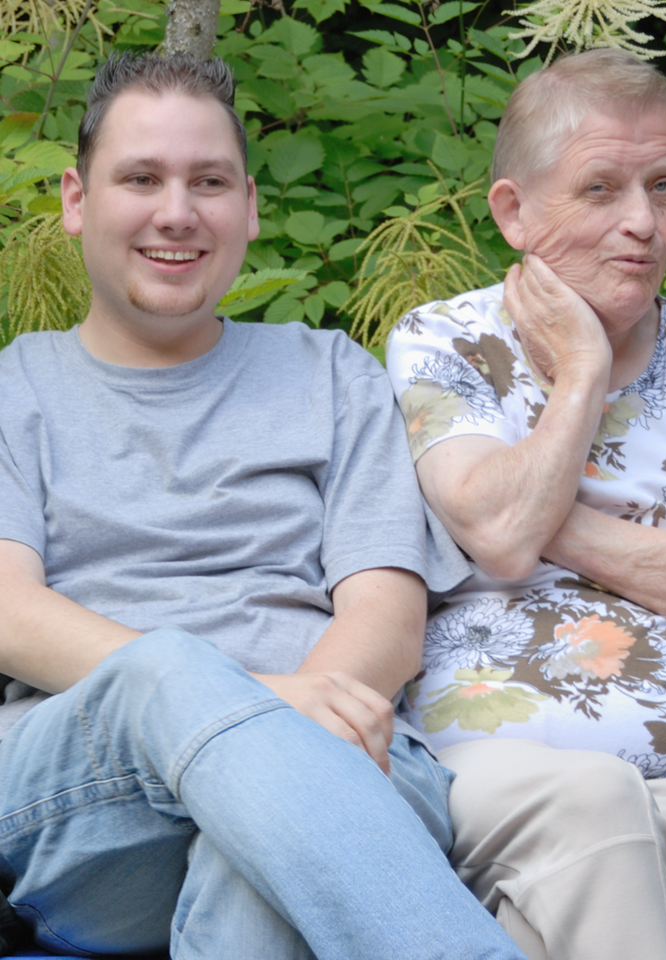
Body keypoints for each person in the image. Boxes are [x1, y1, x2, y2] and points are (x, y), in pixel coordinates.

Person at [0, 52, 528, 960]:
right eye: (141, 178)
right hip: (86, 802)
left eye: (207, 182)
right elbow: (8, 609)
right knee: (167, 671)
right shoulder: (15, 389)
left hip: (343, 751)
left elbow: (387, 619)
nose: (177, 211)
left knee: (263, 869)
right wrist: (250, 704)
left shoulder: (329, 374)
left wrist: (267, 741)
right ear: (76, 199)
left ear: (248, 205)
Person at [386, 49, 666, 960]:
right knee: (612, 841)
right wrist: (580, 371)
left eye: (663, 186)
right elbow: (503, 542)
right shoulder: (443, 342)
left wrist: (519, 512)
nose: (643, 223)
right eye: (600, 189)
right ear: (513, 212)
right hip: (488, 764)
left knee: (569, 904)